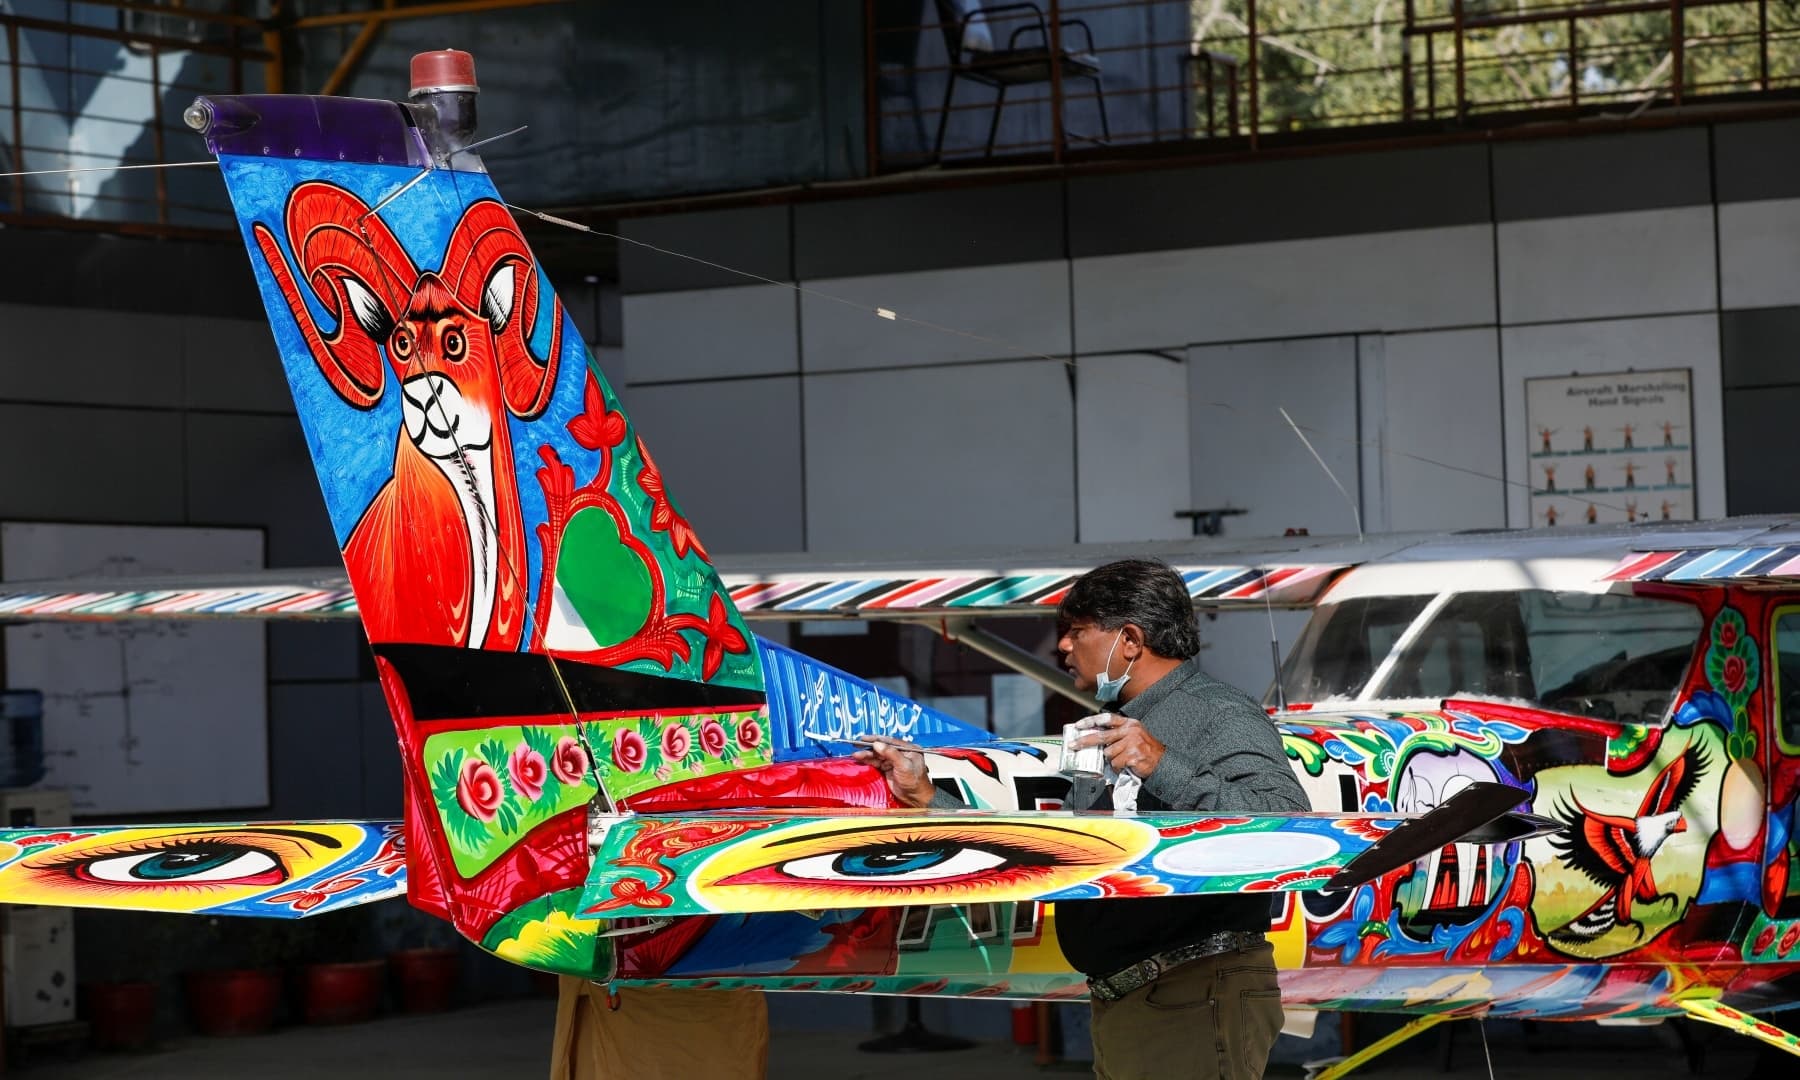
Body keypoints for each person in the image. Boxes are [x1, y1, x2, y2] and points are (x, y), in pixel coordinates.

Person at [857, 558, 1308, 1079]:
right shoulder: (1128, 722)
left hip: (1192, 991)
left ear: (1131, 640)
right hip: (1142, 998)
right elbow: (1067, 850)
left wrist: (1162, 765)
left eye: (1076, 631)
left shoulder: (1219, 711)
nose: (1063, 648)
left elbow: (1289, 823)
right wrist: (926, 798)